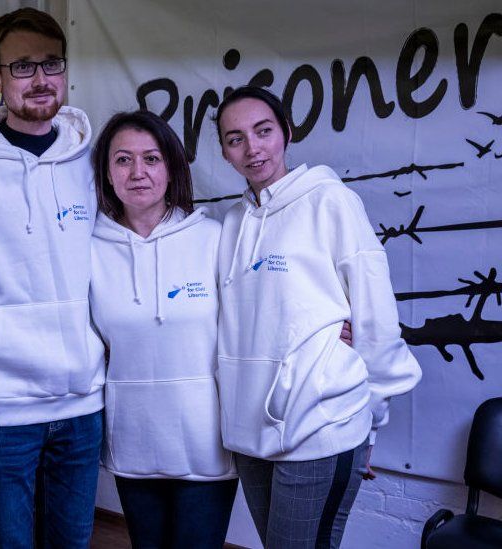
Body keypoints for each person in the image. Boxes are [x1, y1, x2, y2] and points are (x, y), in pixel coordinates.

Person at [214, 85, 422, 548]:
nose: (252, 148)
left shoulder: (331, 201)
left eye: (263, 131)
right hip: (249, 431)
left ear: (286, 132)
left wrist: (370, 419)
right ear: (224, 152)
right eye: (235, 138)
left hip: (321, 426)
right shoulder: (231, 223)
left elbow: (376, 314)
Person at [0, 8, 105, 548]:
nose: (40, 79)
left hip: (84, 402)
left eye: (50, 64)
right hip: (4, 403)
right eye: (22, 67)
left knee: (72, 543)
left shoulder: (96, 162)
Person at [88, 110, 237, 549]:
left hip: (206, 442)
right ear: (106, 173)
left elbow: (260, 314)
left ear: (171, 168)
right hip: (132, 441)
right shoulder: (88, 248)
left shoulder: (213, 237)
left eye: (151, 158)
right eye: (123, 160)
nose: (138, 173)